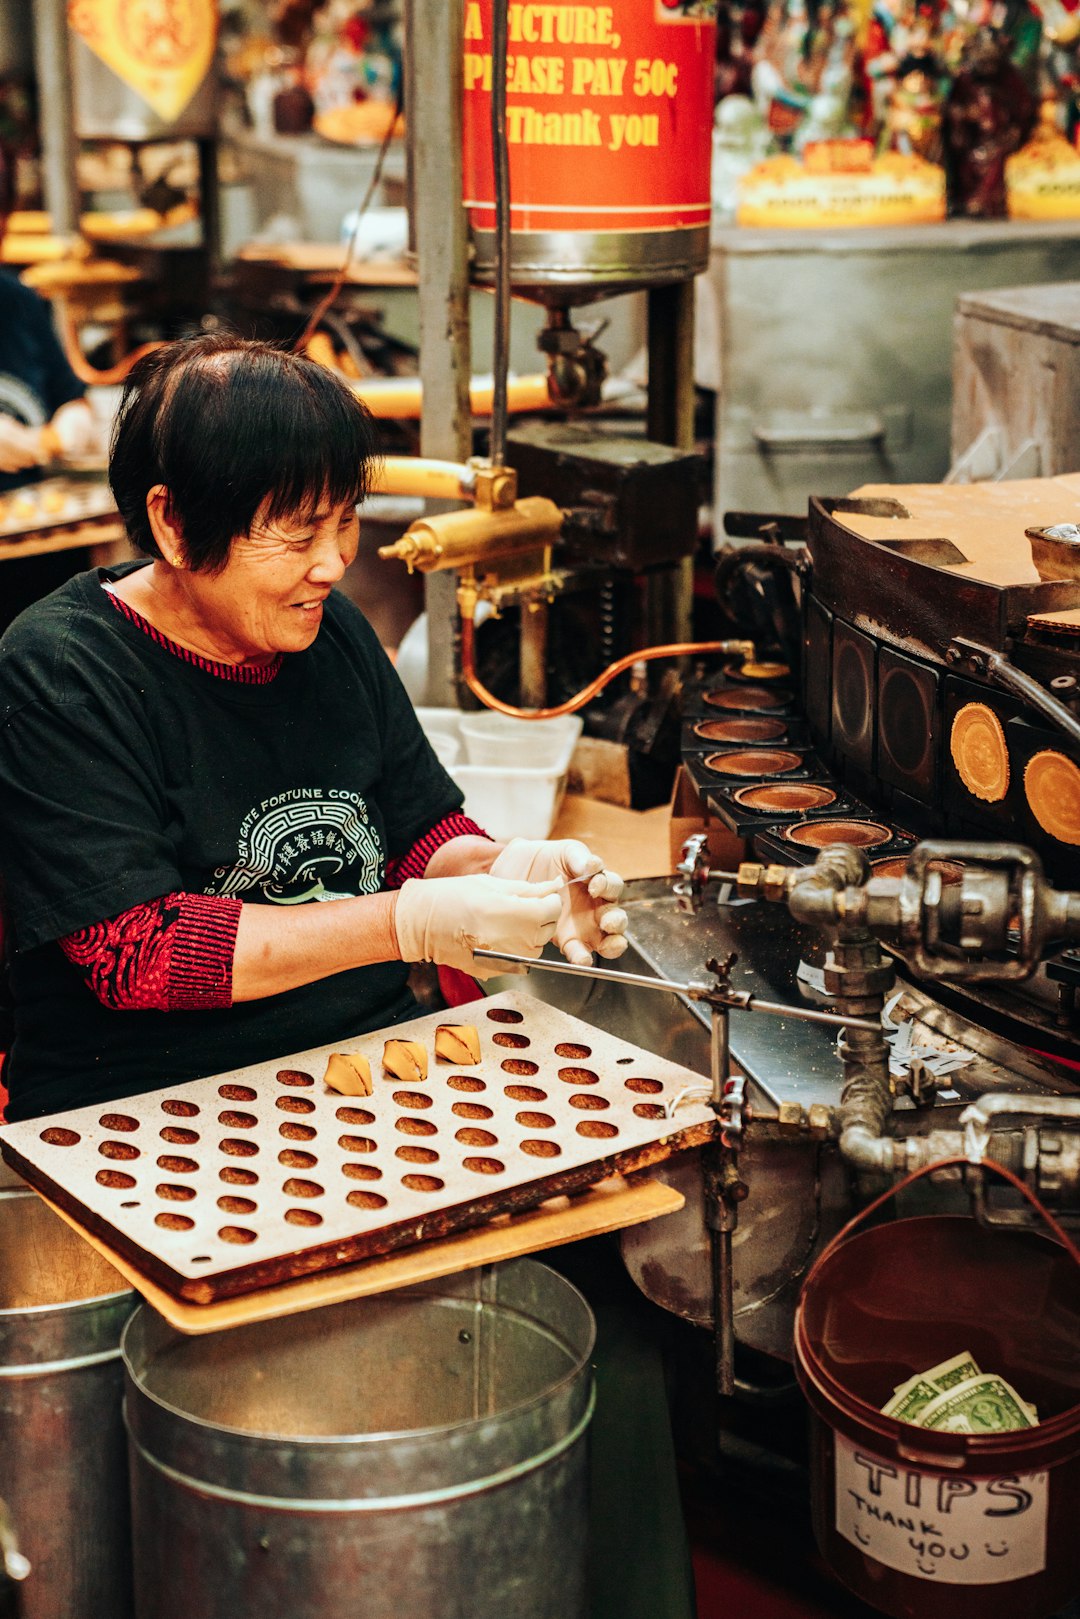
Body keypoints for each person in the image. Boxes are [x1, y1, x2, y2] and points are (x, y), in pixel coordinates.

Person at [0, 334, 627, 1122]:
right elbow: (141, 952)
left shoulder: (327, 629)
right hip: (152, 1103)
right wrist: (407, 921)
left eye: (346, 522)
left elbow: (420, 830)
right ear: (172, 521)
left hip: (363, 1059)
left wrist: (506, 865)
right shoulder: (65, 669)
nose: (332, 563)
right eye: (298, 534)